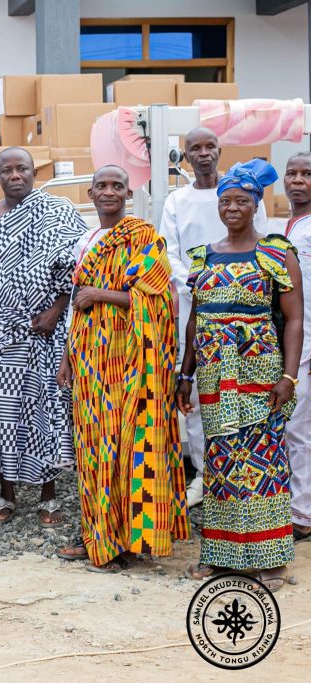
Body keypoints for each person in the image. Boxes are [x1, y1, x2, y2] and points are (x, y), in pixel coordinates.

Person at [55, 166, 189, 571]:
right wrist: (67, 356)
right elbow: (77, 308)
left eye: (117, 186)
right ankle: (99, 535)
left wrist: (101, 294)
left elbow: (160, 300)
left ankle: (130, 538)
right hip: (92, 359)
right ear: (91, 193)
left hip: (133, 361)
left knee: (130, 443)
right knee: (94, 450)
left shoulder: (143, 236)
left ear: (129, 193)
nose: (109, 192)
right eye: (102, 186)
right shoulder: (88, 239)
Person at [177, 159, 302, 591]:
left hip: (260, 376)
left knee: (264, 465)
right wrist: (185, 375)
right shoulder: (204, 256)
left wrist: (289, 377)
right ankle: (219, 555)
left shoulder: (275, 253)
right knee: (221, 466)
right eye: (225, 200)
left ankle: (270, 559)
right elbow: (195, 322)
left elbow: (295, 321)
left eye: (241, 201)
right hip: (213, 376)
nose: (232, 207)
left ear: (255, 205)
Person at [0, 147, 86, 527]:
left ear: (35, 173)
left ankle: (48, 496)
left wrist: (57, 309)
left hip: (45, 332)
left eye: (22, 169)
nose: (15, 175)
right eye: (7, 170)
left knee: (45, 413)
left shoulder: (59, 212)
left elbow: (80, 269)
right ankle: (6, 495)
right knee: (2, 415)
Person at [161, 127, 270, 508]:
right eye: (196, 148)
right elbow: (170, 251)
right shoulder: (177, 199)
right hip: (195, 303)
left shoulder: (244, 190)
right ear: (186, 156)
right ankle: (204, 474)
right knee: (194, 388)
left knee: (243, 387)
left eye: (210, 147)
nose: (203, 154)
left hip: (245, 308)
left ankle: (242, 471)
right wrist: (197, 282)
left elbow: (263, 242)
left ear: (220, 151)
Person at [282, 151, 311, 543]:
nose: (298, 180)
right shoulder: (287, 225)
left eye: (307, 174)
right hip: (295, 341)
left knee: (298, 430)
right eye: (292, 173)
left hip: (308, 342)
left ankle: (302, 514)